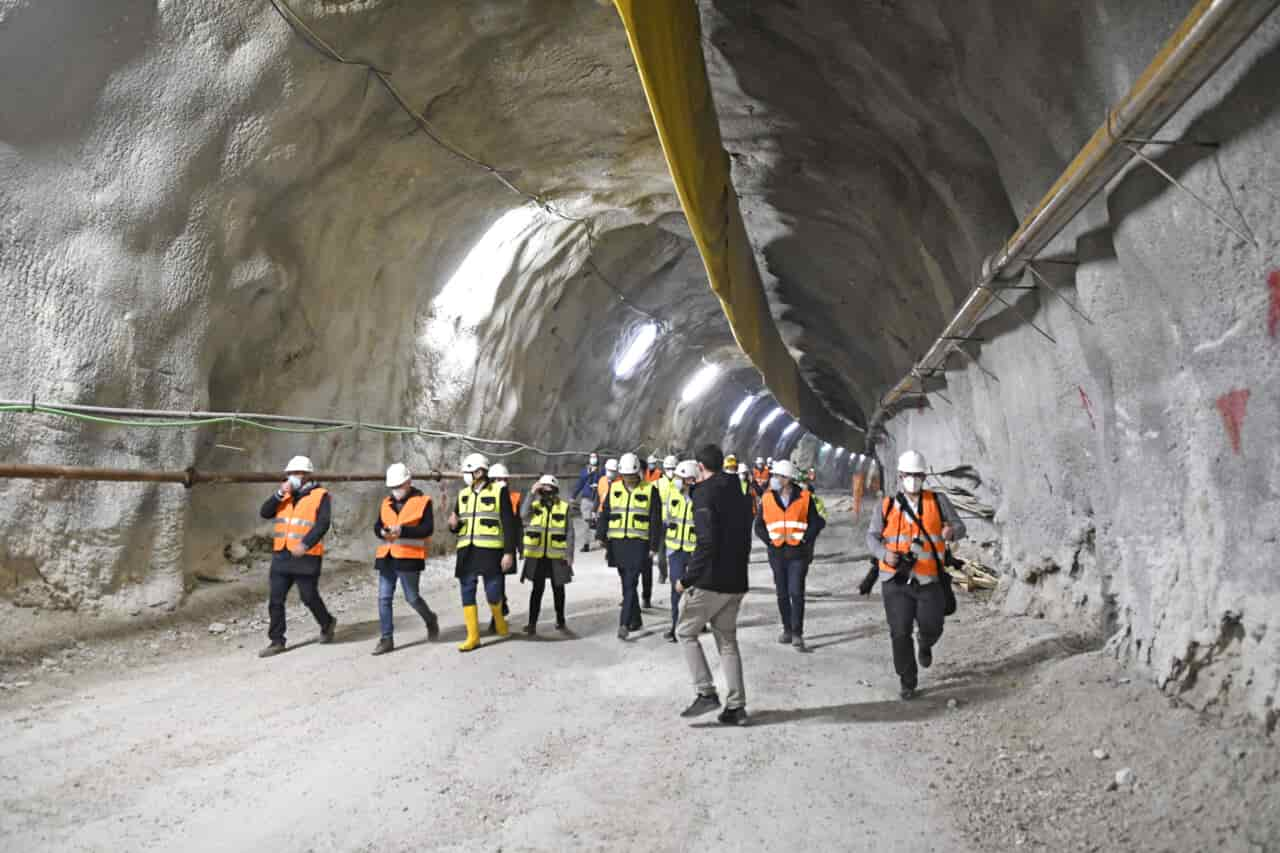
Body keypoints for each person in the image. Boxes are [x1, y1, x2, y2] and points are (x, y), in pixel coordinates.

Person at [866, 450, 966, 699]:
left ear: (924, 476)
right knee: (899, 632)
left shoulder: (938, 501)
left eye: (917, 475)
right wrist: (883, 554)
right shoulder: (886, 506)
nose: (913, 479)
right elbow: (872, 537)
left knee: (933, 624)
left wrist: (951, 532)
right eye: (908, 475)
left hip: (928, 578)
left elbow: (960, 526)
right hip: (895, 579)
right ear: (900, 476)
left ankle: (925, 641)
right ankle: (907, 682)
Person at [675, 444, 752, 726]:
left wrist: (687, 579)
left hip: (711, 580)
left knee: (684, 631)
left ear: (700, 466)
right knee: (728, 642)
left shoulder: (705, 494)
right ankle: (736, 707)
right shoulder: (739, 492)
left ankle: (705, 692)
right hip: (736, 579)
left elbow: (706, 543)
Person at [257, 455, 337, 657]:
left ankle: (327, 623)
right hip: (282, 555)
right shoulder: (284, 495)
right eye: (290, 473)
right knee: (276, 599)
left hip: (306, 556)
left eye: (297, 473)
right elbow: (265, 513)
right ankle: (277, 641)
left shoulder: (321, 495)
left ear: (307, 475)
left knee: (308, 597)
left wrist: (305, 544)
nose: (293, 476)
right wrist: (279, 493)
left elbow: (322, 524)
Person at [447, 453, 520, 652]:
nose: (466, 475)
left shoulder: (499, 491)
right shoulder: (463, 494)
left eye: (468, 472)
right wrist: (453, 525)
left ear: (480, 472)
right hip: (466, 551)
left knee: (493, 591)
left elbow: (508, 524)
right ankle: (473, 637)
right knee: (467, 591)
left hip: (490, 551)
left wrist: (508, 553)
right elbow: (457, 522)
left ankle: (499, 619)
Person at [755, 459, 825, 652]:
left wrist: (805, 539)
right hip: (777, 553)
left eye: (778, 476)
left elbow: (817, 522)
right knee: (782, 593)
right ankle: (787, 629)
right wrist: (769, 541)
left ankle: (797, 633)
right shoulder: (767, 498)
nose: (774, 479)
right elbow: (758, 526)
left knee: (796, 592)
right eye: (774, 475)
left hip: (797, 554)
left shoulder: (804, 497)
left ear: (788, 478)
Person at [371, 463, 441, 655]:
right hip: (387, 556)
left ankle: (430, 619)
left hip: (409, 557)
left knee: (412, 598)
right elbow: (377, 526)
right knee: (384, 598)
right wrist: (382, 532)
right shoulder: (386, 503)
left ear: (408, 482)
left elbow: (427, 529)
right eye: (393, 487)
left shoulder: (423, 501)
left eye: (399, 486)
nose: (396, 490)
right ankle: (386, 638)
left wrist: (403, 530)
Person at [596, 452, 661, 639]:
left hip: (638, 544)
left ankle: (623, 624)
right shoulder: (614, 488)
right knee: (626, 583)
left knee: (631, 583)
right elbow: (605, 512)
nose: (629, 479)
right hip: (617, 544)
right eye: (625, 475)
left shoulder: (650, 490)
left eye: (632, 475)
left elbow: (656, 520)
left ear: (638, 473)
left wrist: (653, 546)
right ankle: (636, 619)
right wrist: (601, 534)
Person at [520, 475, 574, 634]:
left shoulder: (564, 507)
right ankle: (532, 624)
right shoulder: (534, 505)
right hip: (538, 555)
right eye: (544, 490)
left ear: (556, 491)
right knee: (537, 590)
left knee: (558, 589)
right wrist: (531, 493)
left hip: (556, 555)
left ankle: (560, 619)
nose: (547, 493)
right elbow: (523, 515)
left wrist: (569, 554)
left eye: (550, 490)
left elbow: (569, 531)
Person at [661, 459, 699, 643]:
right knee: (676, 589)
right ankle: (675, 626)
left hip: (694, 552)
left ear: (690, 480)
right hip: (675, 550)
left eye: (680, 477)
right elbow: (665, 520)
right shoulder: (672, 496)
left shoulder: (700, 499)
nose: (676, 480)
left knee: (694, 591)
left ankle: (695, 624)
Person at [487, 463, 520, 634]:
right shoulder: (484, 497)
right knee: (495, 582)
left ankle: (497, 617)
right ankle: (501, 607)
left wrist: (519, 547)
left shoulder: (513, 497)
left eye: (504, 479)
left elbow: (517, 524)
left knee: (499, 580)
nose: (502, 482)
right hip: (490, 546)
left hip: (506, 545)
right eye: (498, 479)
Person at [655, 454, 679, 583]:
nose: (671, 471)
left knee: (673, 550)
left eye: (673, 468)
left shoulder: (680, 484)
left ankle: (670, 574)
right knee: (662, 551)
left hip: (676, 520)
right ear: (664, 469)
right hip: (662, 520)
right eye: (669, 468)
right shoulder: (657, 483)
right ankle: (663, 574)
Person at [571, 453, 602, 552]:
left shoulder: (601, 471)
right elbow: (580, 483)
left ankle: (601, 540)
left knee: (598, 520)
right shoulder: (584, 471)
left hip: (598, 499)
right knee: (586, 522)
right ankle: (586, 544)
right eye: (591, 457)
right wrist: (573, 496)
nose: (593, 459)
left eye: (595, 457)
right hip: (586, 499)